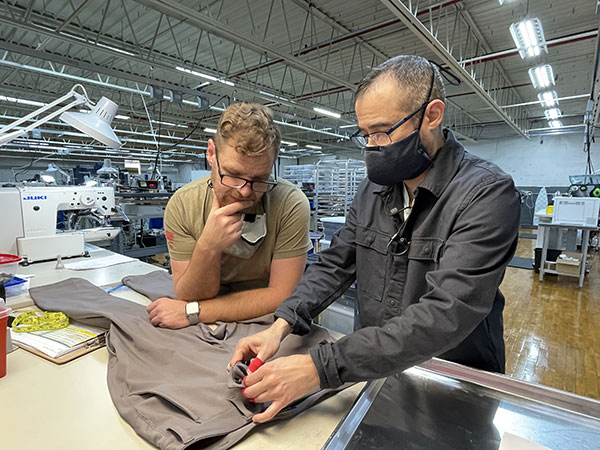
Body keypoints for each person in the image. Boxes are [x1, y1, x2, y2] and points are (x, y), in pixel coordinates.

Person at [227, 55, 520, 423]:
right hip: (373, 370)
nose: (373, 147)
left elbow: (446, 312)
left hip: (451, 383)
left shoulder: (486, 194)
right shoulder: (374, 191)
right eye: (365, 135)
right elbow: (335, 265)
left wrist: (320, 367)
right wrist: (281, 325)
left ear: (432, 115)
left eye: (382, 131)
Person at [147, 103, 312, 328]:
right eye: (233, 175)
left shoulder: (290, 203)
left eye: (260, 179)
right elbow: (188, 294)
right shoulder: (183, 205)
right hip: (201, 322)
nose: (244, 191)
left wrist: (192, 312)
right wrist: (209, 246)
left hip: (266, 323)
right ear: (211, 154)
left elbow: (282, 296)